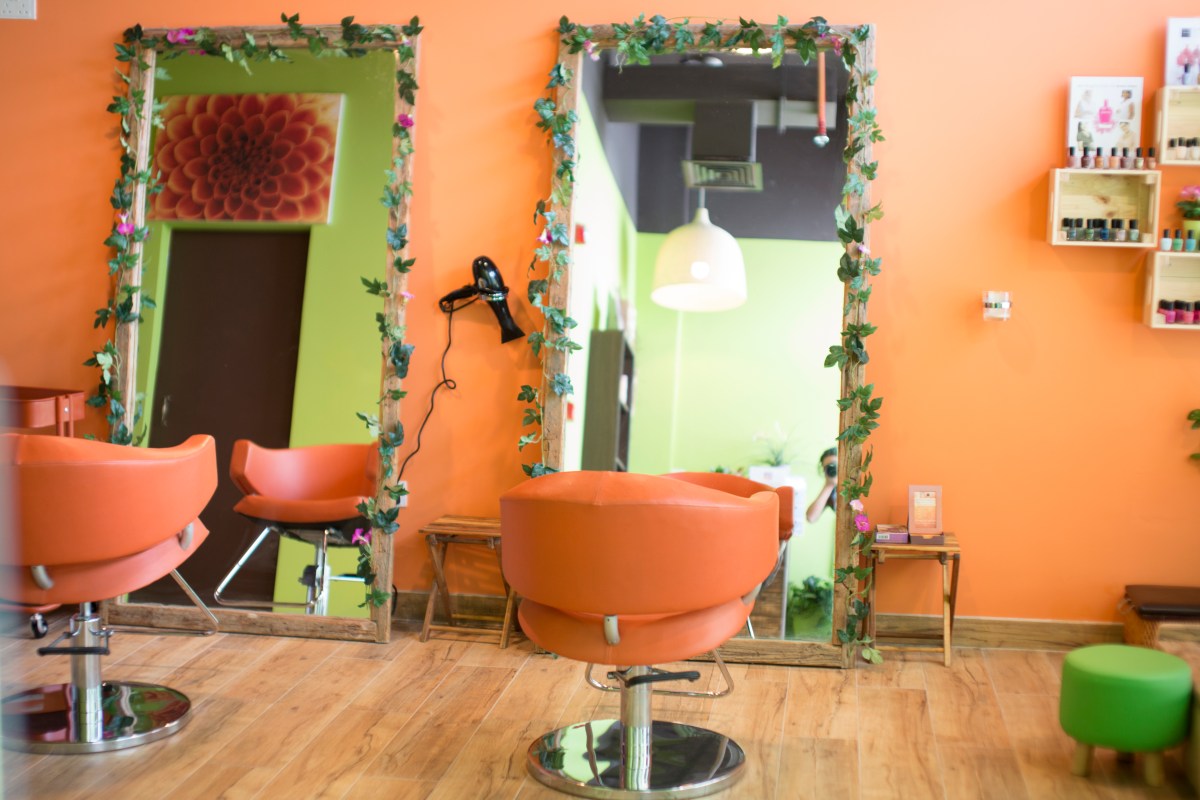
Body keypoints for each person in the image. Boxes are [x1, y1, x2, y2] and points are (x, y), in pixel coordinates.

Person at [805, 447, 838, 524]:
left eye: (835, 465)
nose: (832, 469)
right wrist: (829, 485)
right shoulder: (832, 492)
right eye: (828, 467)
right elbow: (811, 517)